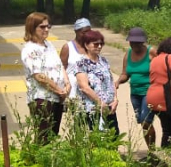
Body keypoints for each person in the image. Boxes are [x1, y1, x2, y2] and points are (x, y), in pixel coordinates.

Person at [20, 12, 68, 143]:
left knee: (53, 134)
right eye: (42, 27)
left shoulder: (49, 45)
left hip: (57, 97)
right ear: (32, 28)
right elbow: (39, 76)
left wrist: (67, 84)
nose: (46, 29)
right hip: (42, 98)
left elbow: (60, 66)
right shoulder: (30, 49)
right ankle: (40, 162)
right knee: (44, 136)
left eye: (48, 26)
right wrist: (59, 89)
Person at [116, 27, 156, 146]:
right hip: (135, 93)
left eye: (138, 43)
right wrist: (118, 81)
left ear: (143, 42)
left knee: (146, 120)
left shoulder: (151, 52)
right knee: (142, 122)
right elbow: (125, 74)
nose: (135, 45)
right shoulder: (128, 54)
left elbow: (161, 68)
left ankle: (153, 150)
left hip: (149, 92)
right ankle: (150, 149)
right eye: (133, 43)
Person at [73, 31, 119, 133]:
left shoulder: (104, 60)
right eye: (95, 44)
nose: (99, 46)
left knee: (113, 136)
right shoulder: (81, 63)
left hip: (109, 108)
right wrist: (100, 103)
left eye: (101, 44)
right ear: (86, 45)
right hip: (92, 109)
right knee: (96, 137)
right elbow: (84, 87)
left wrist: (115, 99)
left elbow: (111, 81)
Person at [146, 36, 171, 147]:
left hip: (151, 96)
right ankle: (167, 155)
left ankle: (163, 154)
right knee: (170, 130)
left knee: (165, 127)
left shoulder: (155, 59)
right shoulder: (170, 57)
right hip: (164, 97)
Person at [60, 18, 91, 101]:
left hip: (89, 91)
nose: (87, 35)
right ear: (76, 31)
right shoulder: (68, 47)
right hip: (73, 91)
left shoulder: (91, 47)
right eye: (84, 32)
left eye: (89, 32)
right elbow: (61, 68)